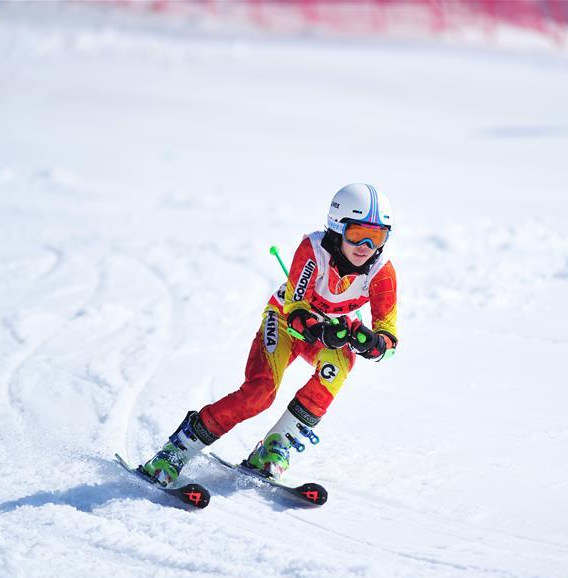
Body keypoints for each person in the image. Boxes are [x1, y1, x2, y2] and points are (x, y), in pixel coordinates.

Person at [140, 183, 398, 486]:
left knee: (340, 367)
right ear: (336, 227)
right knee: (259, 394)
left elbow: (389, 338)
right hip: (286, 322)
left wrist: (374, 345)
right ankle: (176, 450)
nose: (366, 245)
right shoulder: (313, 251)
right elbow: (296, 311)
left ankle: (275, 446)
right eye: (357, 234)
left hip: (328, 332)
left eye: (377, 236)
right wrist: (322, 331)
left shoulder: (382, 272)